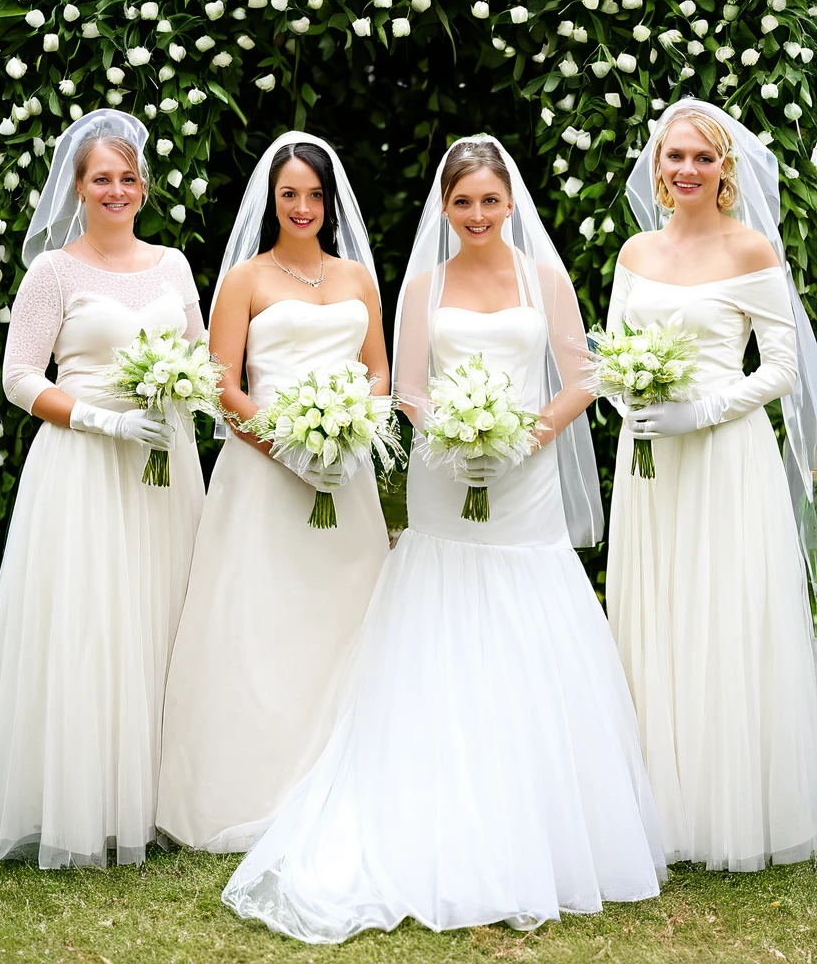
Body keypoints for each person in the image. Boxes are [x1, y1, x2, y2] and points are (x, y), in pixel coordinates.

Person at [222, 136, 665, 942]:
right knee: (442, 614)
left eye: (490, 201)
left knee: (525, 619)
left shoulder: (548, 280)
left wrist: (525, 438)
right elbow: (410, 392)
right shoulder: (423, 286)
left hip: (523, 481)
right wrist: (457, 439)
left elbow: (582, 378)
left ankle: (538, 816)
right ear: (446, 207)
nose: (478, 215)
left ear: (509, 201)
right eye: (463, 203)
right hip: (443, 475)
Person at [156, 132, 390, 852]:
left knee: (345, 626)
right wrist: (291, 447)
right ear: (271, 200)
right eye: (290, 194)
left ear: (330, 200)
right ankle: (252, 791)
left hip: (345, 478)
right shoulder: (246, 279)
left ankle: (344, 780)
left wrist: (350, 434)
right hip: (263, 474)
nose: (303, 206)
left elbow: (379, 372)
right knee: (262, 628)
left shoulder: (355, 278)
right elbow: (222, 385)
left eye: (315, 194)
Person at [0, 109, 205, 869]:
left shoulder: (173, 265)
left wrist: (177, 398)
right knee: (89, 623)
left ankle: (152, 798)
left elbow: (200, 358)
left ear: (144, 185)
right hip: (82, 466)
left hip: (161, 465)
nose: (117, 190)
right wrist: (98, 422)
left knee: (157, 616)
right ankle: (79, 802)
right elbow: (17, 378)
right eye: (101, 179)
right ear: (77, 188)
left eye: (128, 178)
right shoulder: (54, 271)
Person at [607, 97, 817, 871]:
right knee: (657, 612)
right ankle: (659, 800)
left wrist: (701, 412)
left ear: (725, 168)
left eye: (702, 157)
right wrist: (631, 398)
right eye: (675, 157)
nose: (687, 169)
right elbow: (613, 352)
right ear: (656, 169)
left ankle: (729, 806)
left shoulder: (752, 250)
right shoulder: (634, 253)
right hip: (651, 461)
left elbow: (785, 370)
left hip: (725, 456)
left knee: (720, 612)